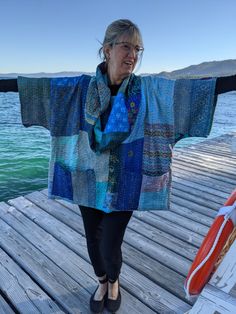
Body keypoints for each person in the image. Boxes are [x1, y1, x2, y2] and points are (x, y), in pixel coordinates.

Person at [0, 19, 236, 314]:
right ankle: (102, 281)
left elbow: (196, 91)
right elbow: (32, 88)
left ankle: (114, 281)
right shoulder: (79, 88)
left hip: (126, 182)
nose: (133, 55)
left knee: (110, 244)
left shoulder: (147, 91)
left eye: (138, 49)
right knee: (93, 240)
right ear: (107, 49)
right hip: (85, 179)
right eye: (126, 46)